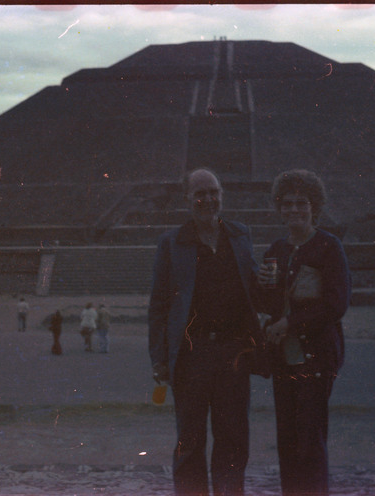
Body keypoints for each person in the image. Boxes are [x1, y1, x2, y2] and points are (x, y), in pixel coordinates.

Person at [148, 168, 267, 496]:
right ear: (187, 198)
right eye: (200, 193)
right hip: (191, 356)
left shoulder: (240, 235)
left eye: (213, 192)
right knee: (190, 441)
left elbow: (252, 287)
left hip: (233, 354)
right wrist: (159, 358)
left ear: (222, 195)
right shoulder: (172, 243)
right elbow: (158, 306)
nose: (208, 199)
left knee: (233, 439)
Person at [257, 169, 351, 496]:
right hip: (284, 358)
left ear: (315, 206)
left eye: (301, 203)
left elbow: (336, 304)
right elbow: (269, 302)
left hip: (316, 357)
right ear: (278, 207)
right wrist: (265, 299)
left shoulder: (328, 247)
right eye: (287, 203)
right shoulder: (275, 250)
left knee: (309, 438)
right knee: (287, 437)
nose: (294, 209)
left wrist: (291, 323)